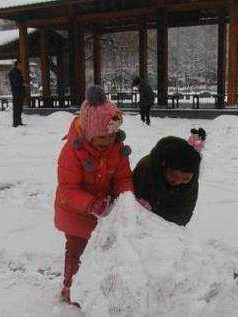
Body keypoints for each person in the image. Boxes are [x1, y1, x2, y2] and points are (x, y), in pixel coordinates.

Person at [54, 85, 134, 307]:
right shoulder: (72, 152)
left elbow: (122, 178)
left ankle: (98, 285)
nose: (108, 141)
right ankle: (69, 285)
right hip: (77, 213)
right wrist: (90, 204)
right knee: (77, 251)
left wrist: (127, 199)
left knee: (103, 251)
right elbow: (67, 190)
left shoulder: (116, 147)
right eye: (101, 138)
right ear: (88, 133)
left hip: (105, 212)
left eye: (111, 135)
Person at [132, 128, 206, 226]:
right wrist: (140, 206)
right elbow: (130, 196)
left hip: (164, 228)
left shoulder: (191, 182)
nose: (178, 181)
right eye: (174, 176)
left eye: (185, 178)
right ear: (164, 165)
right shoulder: (147, 168)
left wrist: (153, 211)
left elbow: (183, 216)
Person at [8, 60, 26, 127]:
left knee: (20, 108)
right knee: (16, 108)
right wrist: (23, 83)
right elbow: (15, 83)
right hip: (16, 93)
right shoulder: (12, 73)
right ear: (17, 65)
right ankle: (15, 123)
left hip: (20, 92)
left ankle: (19, 121)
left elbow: (20, 81)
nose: (21, 66)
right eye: (20, 65)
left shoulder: (19, 72)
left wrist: (23, 84)